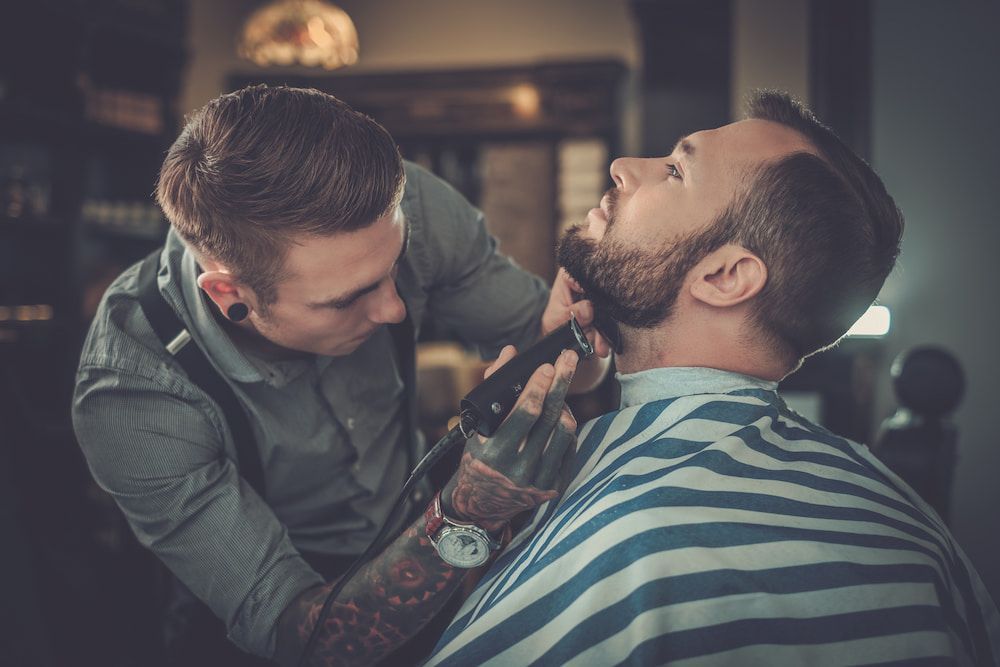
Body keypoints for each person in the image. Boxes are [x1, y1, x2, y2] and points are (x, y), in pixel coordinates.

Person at [425, 90, 1000, 666]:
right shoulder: (913, 533)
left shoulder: (637, 552)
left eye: (676, 170)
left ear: (725, 276)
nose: (623, 167)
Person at [72, 85, 607, 666]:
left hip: (433, 558)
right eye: (347, 299)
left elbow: (568, 362)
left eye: (395, 268)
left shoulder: (407, 209)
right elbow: (299, 639)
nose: (394, 309)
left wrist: (579, 345)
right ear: (230, 295)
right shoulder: (134, 385)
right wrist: (466, 515)